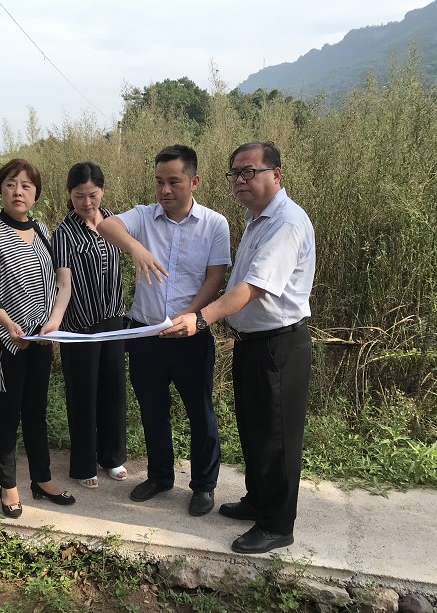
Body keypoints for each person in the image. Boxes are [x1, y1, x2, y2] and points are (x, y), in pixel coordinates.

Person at [162, 141, 315, 554]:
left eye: (250, 172)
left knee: (277, 437)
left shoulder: (286, 223)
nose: (241, 180)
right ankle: (258, 500)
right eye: (235, 173)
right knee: (255, 429)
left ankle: (277, 525)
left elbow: (252, 288)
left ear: (276, 175)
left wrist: (202, 317)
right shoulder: (256, 219)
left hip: (279, 345)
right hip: (253, 343)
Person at [97, 144, 231, 517]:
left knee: (200, 412)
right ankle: (160, 477)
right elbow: (106, 225)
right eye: (159, 181)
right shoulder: (144, 216)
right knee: (153, 410)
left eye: (174, 181)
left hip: (191, 334)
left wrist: (189, 317)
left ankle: (203, 485)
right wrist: (136, 249)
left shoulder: (214, 224)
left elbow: (215, 278)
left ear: (194, 181)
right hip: (146, 335)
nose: (165, 189)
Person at [0, 158, 75, 518]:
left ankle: (41, 479)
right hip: (7, 341)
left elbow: (57, 283)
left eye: (26, 186)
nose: (18, 191)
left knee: (36, 412)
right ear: (1, 191)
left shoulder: (43, 230)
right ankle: (8, 485)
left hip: (40, 339)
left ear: (36, 194)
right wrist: (9, 325)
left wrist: (51, 324)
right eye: (11, 184)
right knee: (7, 414)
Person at [52, 162, 128, 489]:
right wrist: (55, 322)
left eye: (92, 195)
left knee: (114, 390)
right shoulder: (64, 233)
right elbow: (64, 283)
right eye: (79, 195)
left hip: (114, 319)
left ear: (102, 192)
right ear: (70, 194)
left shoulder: (114, 222)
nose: (86, 202)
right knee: (83, 394)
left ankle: (113, 457)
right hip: (79, 325)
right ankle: (84, 464)